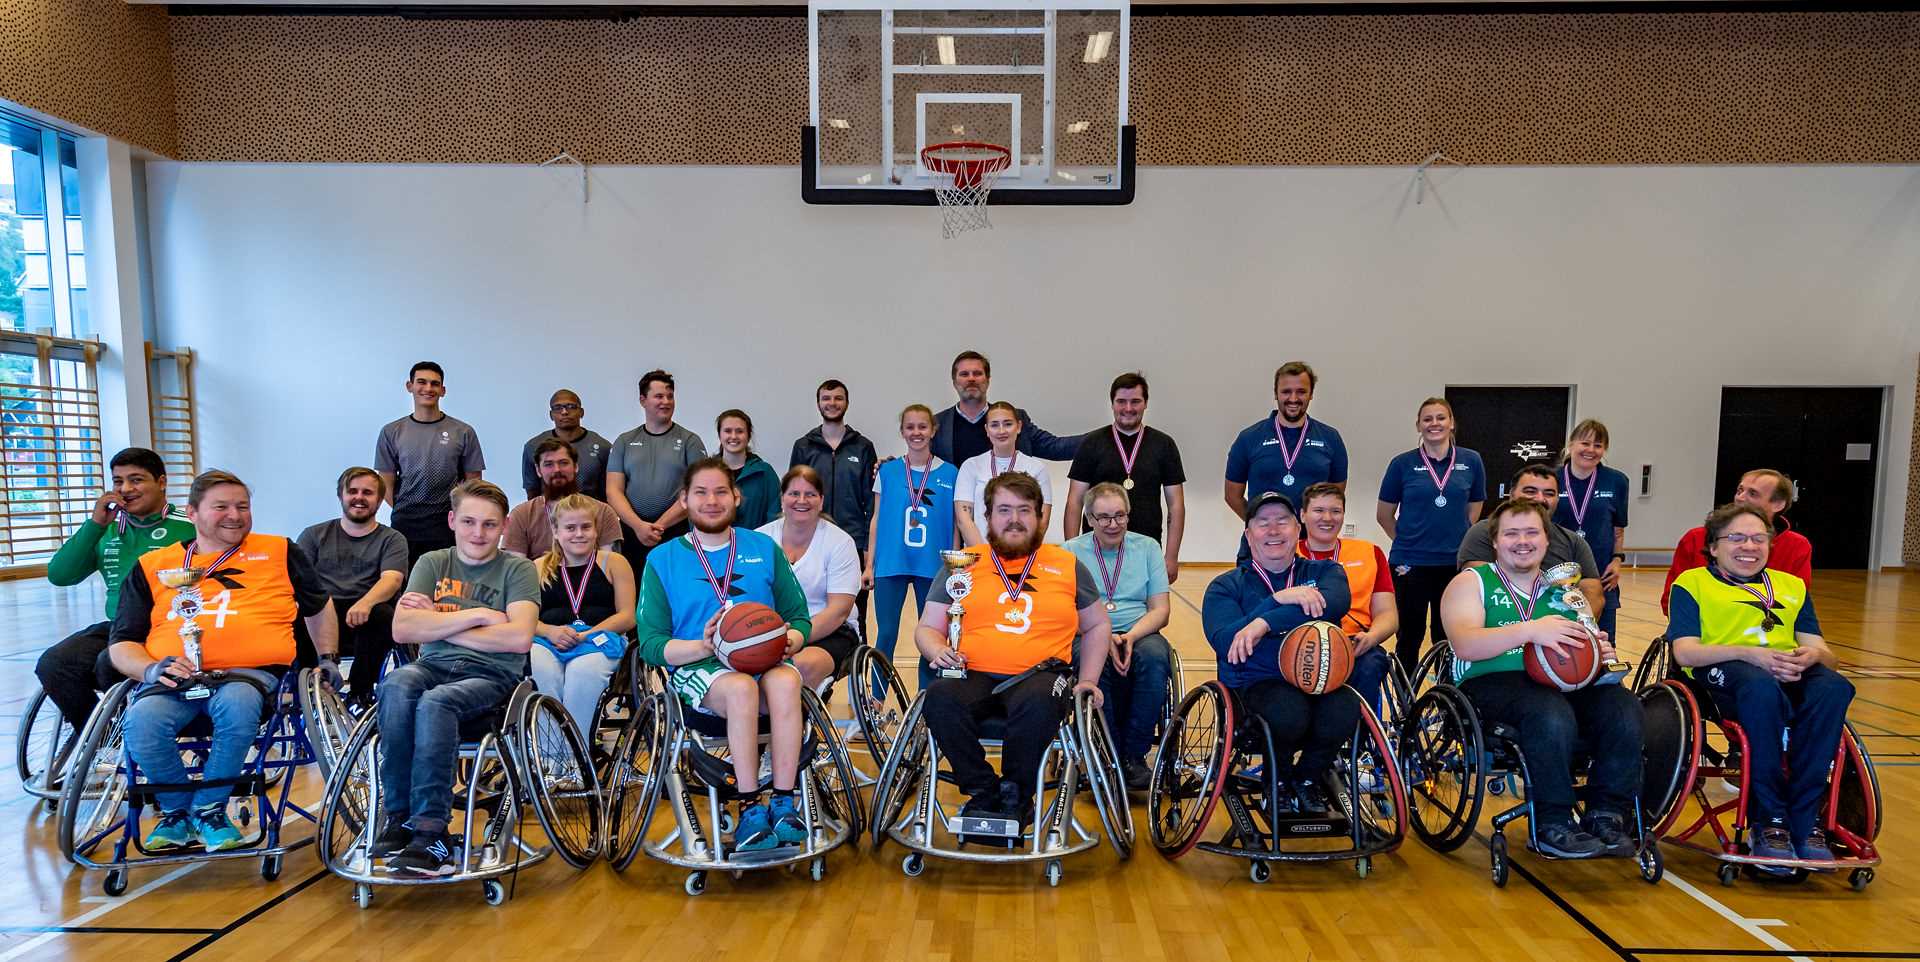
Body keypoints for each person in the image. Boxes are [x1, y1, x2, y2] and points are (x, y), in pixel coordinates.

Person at [108, 470, 339, 852]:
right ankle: (176, 813)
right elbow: (122, 644)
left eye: (242, 506)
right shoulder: (155, 565)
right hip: (173, 678)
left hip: (251, 677)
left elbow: (318, 606)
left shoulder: (278, 550)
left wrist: (327, 656)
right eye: (222, 507)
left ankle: (210, 808)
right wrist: (151, 669)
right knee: (141, 721)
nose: (235, 515)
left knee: (236, 703)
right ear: (193, 513)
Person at [1438, 498, 1641, 859]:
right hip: (1491, 680)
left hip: (1558, 682)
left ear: (1546, 541)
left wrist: (1597, 654)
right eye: (1511, 533)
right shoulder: (1472, 582)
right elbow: (1465, 644)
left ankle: (1606, 814)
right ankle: (1553, 823)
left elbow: (1585, 647)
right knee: (1549, 711)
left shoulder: (1564, 592)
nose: (1522, 541)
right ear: (1495, 541)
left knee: (1623, 707)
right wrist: (1531, 630)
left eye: (1531, 532)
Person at [914, 472, 1109, 830]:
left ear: (1039, 517)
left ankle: (1017, 795)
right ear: (987, 517)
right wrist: (937, 649)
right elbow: (927, 627)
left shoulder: (1067, 565)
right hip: (974, 672)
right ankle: (983, 791)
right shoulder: (963, 563)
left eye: (1024, 510)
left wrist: (1089, 680)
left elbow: (1097, 625)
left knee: (1037, 702)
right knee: (939, 697)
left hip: (1042, 674)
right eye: (1004, 510)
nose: (1014, 519)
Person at [637, 458, 813, 852]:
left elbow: (799, 618)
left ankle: (784, 804)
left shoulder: (763, 547)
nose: (711, 500)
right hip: (698, 666)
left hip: (764, 663)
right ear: (684, 499)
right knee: (739, 689)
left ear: (736, 497)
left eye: (720, 491)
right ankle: (750, 807)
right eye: (701, 492)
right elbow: (650, 643)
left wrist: (791, 641)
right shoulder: (661, 560)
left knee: (787, 679)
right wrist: (704, 646)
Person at [1667, 502, 1851, 866]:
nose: (1749, 547)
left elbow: (1823, 651)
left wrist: (1813, 658)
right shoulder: (1693, 583)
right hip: (1722, 673)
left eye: (1758, 539)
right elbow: (1686, 652)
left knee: (1834, 687)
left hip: (1782, 668)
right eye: (1736, 538)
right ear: (1714, 547)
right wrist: (1750, 654)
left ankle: (1805, 819)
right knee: (1760, 688)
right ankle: (1769, 820)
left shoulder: (1791, 586)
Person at [376, 480, 540, 877]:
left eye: (489, 524)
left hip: (492, 674)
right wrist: (481, 616)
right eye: (468, 522)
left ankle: (432, 830)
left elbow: (519, 638)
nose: (478, 533)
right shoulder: (432, 562)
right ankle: (398, 816)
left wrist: (437, 622)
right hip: (432, 667)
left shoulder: (517, 569)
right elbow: (402, 629)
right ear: (452, 520)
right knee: (396, 685)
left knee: (437, 702)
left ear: (503, 527)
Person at [1201, 491, 1354, 816]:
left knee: (1345, 708)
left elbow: (1334, 604)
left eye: (1282, 521)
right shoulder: (1226, 586)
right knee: (1289, 710)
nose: (1273, 530)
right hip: (1254, 686)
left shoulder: (1327, 573)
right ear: (1248, 534)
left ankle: (1308, 778)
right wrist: (1279, 601)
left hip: (1318, 678)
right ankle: (1278, 781)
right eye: (1263, 523)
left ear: (1297, 528)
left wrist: (1261, 624)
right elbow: (1227, 640)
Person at [39, 447, 196, 730]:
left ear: (161, 482)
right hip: (119, 628)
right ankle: (102, 737)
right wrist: (95, 525)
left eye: (136, 480)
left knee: (107, 663)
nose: (125, 489)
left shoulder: (189, 527)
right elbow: (60, 575)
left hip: (171, 628)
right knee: (54, 663)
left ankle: (142, 730)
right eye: (118, 481)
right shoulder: (106, 530)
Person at [1062, 482, 1171, 790]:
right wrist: (1103, 635)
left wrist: (1131, 637)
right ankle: (1104, 753)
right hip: (1089, 630)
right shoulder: (1070, 551)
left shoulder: (1148, 547)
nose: (1113, 524)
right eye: (1104, 518)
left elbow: (1161, 610)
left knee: (1155, 656)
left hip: (1139, 629)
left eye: (1120, 516)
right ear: (1090, 519)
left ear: (1128, 515)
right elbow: (1066, 610)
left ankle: (1133, 756)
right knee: (1089, 657)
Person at [1377, 397, 1486, 678]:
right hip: (1409, 563)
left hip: (1453, 565)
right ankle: (1406, 699)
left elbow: (1474, 508)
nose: (1434, 424)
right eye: (1427, 419)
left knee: (1447, 635)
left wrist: (1457, 539)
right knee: (1409, 635)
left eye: (1441, 418)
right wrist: (1409, 541)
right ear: (1418, 425)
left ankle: (1444, 695)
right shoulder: (1402, 464)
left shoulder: (1471, 460)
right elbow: (1384, 514)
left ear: (1451, 423)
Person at [865, 404, 959, 687]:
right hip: (891, 561)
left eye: (922, 427)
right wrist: (869, 564)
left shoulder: (951, 473)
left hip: (932, 564)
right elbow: (877, 519)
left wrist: (953, 566)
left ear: (933, 430)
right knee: (887, 632)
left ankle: (924, 700)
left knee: (929, 633)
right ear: (902, 431)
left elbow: (956, 523)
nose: (916, 433)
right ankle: (876, 703)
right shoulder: (888, 471)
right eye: (910, 427)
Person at [297, 467, 409, 703]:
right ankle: (311, 691)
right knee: (299, 612)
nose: (359, 497)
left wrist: (366, 603)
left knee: (383, 614)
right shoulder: (313, 535)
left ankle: (360, 694)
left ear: (379, 501)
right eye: (353, 491)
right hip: (322, 611)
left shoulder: (392, 539)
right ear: (341, 496)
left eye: (367, 493)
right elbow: (300, 582)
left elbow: (392, 579)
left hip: (366, 615)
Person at [529, 494, 637, 738]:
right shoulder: (537, 567)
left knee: (582, 672)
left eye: (586, 527)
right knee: (540, 669)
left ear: (596, 530)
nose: (579, 534)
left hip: (598, 641)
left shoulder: (614, 563)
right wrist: (550, 632)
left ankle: (575, 761)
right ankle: (550, 757)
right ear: (556, 531)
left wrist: (587, 634)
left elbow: (628, 615)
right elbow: (525, 618)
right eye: (570, 528)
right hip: (548, 640)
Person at [1064, 372, 1186, 583]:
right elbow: (1074, 502)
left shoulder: (1164, 445)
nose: (1128, 408)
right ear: (1112, 403)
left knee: (1149, 611)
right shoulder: (1091, 443)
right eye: (1121, 401)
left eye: (1135, 401)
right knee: (1095, 612)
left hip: (1146, 549)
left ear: (1146, 403)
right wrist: (1072, 552)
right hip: (1097, 550)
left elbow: (1176, 505)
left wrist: (1171, 556)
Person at [375, 361, 486, 567]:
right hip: (405, 524)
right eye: (422, 382)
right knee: (407, 588)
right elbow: (385, 484)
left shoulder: (463, 432)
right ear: (410, 386)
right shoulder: (391, 432)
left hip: (448, 524)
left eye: (435, 384)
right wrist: (405, 508)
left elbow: (474, 484)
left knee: (446, 588)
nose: (428, 388)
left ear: (443, 390)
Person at [1296, 483, 1397, 708]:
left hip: (1355, 645)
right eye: (1319, 510)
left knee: (1372, 665)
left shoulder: (1370, 553)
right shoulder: (1287, 555)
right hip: (1301, 647)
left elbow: (1388, 614)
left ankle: (1359, 735)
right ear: (1303, 515)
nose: (1327, 518)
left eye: (1335, 511)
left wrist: (1372, 637)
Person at [788, 379, 878, 631]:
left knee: (856, 614)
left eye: (838, 398)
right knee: (810, 609)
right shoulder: (804, 446)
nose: (832, 403)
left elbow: (871, 501)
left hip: (853, 541)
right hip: (812, 541)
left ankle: (857, 666)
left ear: (847, 403)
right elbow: (793, 497)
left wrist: (868, 552)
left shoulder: (863, 447)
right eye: (826, 399)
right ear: (818, 404)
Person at [761, 467, 862, 688]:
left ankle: (793, 719)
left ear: (821, 500)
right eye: (794, 494)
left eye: (810, 494)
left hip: (831, 632)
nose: (802, 500)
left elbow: (838, 611)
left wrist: (795, 637)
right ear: (782, 499)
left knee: (796, 668)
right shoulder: (759, 540)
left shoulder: (840, 543)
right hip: (771, 634)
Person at [1456, 464, 1604, 613]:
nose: (1540, 499)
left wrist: (1580, 626)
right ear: (1512, 494)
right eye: (1530, 491)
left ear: (1557, 499)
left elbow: (1593, 591)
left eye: (1549, 493)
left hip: (1559, 629)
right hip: (1501, 626)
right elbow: (1478, 586)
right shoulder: (1483, 532)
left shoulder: (1574, 542)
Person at [1661, 468, 1812, 614]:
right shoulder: (1696, 538)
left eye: (1753, 493)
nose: (1740, 498)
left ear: (1778, 504)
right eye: (1740, 491)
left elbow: (1797, 603)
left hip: (1769, 634)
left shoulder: (1797, 546)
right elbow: (1671, 599)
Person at [607, 370, 707, 578]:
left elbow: (698, 490)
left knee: (675, 591)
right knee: (634, 592)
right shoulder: (624, 441)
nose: (666, 402)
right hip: (632, 532)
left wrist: (659, 526)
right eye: (659, 396)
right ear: (643, 400)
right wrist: (638, 526)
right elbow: (613, 491)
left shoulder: (690, 441)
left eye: (670, 396)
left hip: (675, 531)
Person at [1225, 361, 1349, 518]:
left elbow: (1335, 496)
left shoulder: (1331, 439)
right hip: (1263, 541)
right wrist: (1258, 525)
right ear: (1276, 394)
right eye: (1286, 392)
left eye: (1301, 392)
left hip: (1311, 541)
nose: (1293, 398)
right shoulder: (1249, 438)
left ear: (1311, 394)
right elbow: (1232, 496)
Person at [930, 351, 1081, 466]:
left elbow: (1056, 447)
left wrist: (1103, 435)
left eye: (977, 373)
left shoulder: (1014, 419)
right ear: (954, 382)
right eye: (964, 374)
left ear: (988, 380)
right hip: (956, 506)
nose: (971, 379)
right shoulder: (937, 425)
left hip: (1007, 505)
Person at [1555, 420, 1631, 640]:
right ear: (1571, 444)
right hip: (1559, 573)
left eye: (1598, 445)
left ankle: (1607, 674)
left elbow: (1618, 528)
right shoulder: (1553, 479)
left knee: (1602, 640)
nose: (1590, 450)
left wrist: (1617, 560)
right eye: (1585, 443)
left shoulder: (1617, 481)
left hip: (1600, 573)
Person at [953, 401, 1053, 547]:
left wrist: (1023, 552)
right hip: (981, 556)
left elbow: (1042, 519)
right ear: (986, 430)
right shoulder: (971, 466)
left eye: (1007, 424)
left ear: (1018, 427)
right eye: (994, 425)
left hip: (1022, 554)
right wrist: (984, 556)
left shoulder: (1037, 468)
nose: (1001, 431)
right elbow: (963, 518)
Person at [502, 439, 621, 559]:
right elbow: (515, 570)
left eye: (563, 463)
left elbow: (610, 565)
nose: (557, 470)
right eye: (549, 464)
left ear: (575, 467)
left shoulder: (604, 512)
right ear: (538, 470)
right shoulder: (521, 515)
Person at [518, 389, 611, 502]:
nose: (564, 412)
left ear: (581, 412)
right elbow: (532, 491)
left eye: (571, 406)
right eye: (557, 408)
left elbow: (608, 492)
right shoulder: (534, 446)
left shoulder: (603, 447)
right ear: (551, 415)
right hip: (549, 514)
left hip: (591, 514)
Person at [716, 409, 780, 530]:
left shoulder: (765, 472)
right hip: (713, 546)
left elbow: (775, 517)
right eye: (728, 431)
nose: (733, 436)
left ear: (748, 436)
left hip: (755, 546)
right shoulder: (706, 473)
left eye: (740, 431)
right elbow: (696, 512)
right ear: (719, 435)